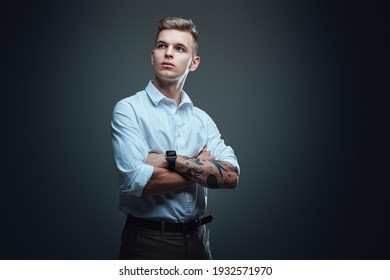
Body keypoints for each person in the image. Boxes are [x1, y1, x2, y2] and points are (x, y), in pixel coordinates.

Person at [111, 16, 240, 260]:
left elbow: (231, 176)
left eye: (179, 48)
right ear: (152, 56)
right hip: (148, 242)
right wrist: (201, 169)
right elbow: (136, 181)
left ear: (194, 63)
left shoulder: (202, 119)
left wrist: (171, 160)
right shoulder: (128, 109)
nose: (168, 53)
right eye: (162, 46)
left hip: (199, 241)